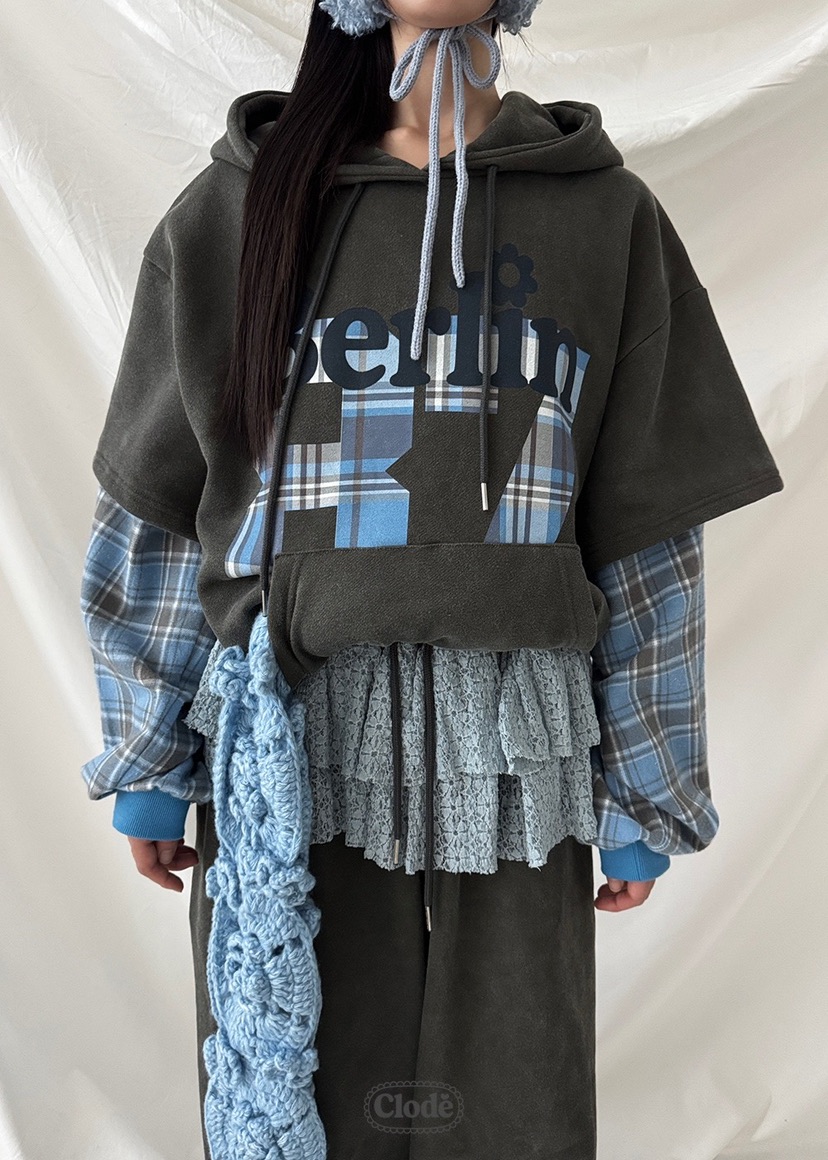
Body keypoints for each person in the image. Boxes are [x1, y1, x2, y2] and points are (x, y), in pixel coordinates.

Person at [78, 2, 784, 1158]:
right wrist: (149, 756)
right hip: (297, 743)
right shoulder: (240, 210)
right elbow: (161, 507)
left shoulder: (604, 219)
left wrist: (645, 788)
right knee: (305, 1101)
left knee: (514, 1107)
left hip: (519, 758)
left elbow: (649, 538)